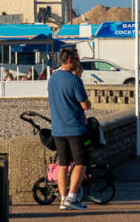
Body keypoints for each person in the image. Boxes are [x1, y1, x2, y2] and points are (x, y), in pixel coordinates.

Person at [47, 48, 92, 210]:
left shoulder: (52, 78)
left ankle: (63, 199)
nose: (79, 62)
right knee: (81, 162)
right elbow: (85, 105)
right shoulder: (74, 81)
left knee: (63, 164)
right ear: (70, 60)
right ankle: (72, 197)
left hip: (57, 129)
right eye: (77, 59)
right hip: (75, 128)